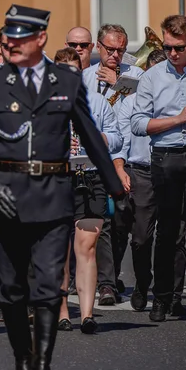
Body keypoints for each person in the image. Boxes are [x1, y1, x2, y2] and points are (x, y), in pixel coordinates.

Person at [0, 5, 123, 370]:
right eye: (8, 38)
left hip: (53, 196)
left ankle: (42, 366)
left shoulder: (66, 81)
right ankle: (21, 356)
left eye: (20, 38)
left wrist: (116, 187)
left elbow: (89, 135)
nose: (12, 44)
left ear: (40, 40)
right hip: (6, 196)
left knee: (49, 286)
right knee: (11, 289)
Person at [131, 15, 186, 324]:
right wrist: (179, 119)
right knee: (168, 231)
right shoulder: (152, 77)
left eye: (178, 48)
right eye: (168, 47)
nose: (172, 53)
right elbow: (139, 124)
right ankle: (162, 298)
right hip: (165, 156)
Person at [52, 47, 121, 334]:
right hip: (56, 180)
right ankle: (62, 311)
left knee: (87, 248)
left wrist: (98, 137)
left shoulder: (98, 103)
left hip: (90, 177)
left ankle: (87, 314)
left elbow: (118, 139)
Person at [82, 24, 143, 304]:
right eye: (110, 49)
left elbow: (143, 109)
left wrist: (118, 81)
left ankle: (112, 275)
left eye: (121, 50)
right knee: (100, 223)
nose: (115, 55)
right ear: (98, 47)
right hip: (93, 162)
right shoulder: (84, 77)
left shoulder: (137, 76)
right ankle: (105, 282)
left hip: (126, 157)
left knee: (121, 222)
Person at [114, 48, 166, 312]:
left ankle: (166, 292)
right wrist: (120, 167)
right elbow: (122, 138)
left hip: (168, 168)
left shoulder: (175, 98)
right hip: (142, 170)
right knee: (141, 237)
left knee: (170, 236)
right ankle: (143, 283)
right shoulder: (131, 101)